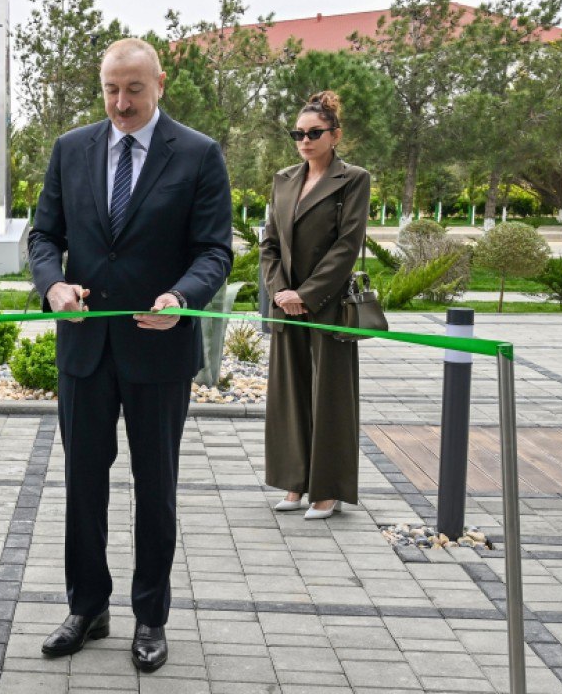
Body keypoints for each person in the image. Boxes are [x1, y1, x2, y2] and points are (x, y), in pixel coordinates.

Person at [28, 37, 233, 672]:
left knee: (156, 487)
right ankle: (87, 607)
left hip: (158, 350)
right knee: (83, 484)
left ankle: (151, 616)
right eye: (112, 89)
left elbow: (215, 251)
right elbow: (44, 235)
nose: (121, 102)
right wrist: (53, 285)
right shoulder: (71, 149)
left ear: (160, 83)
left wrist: (182, 295)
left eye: (134, 89)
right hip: (84, 349)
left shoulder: (198, 154)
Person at [260, 91, 370, 520]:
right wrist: (279, 291)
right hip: (285, 305)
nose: (304, 139)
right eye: (298, 133)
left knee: (331, 400)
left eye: (314, 132)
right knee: (288, 396)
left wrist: (305, 295)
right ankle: (295, 483)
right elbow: (270, 243)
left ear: (334, 135)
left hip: (326, 306)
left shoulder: (353, 179)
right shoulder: (284, 179)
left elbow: (347, 246)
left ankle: (327, 490)